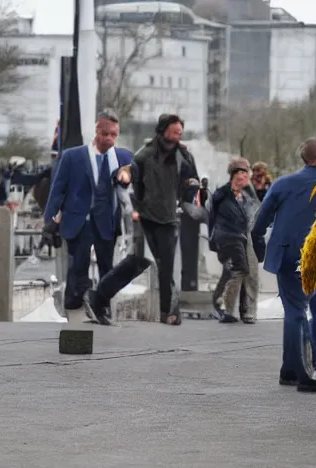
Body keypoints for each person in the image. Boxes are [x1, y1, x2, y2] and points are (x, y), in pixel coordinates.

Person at [83, 113, 200, 326]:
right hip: (145, 217)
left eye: (180, 133)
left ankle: (169, 312)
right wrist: (123, 177)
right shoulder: (145, 155)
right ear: (163, 132)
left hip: (168, 218)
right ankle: (98, 297)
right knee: (137, 262)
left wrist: (191, 187)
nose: (177, 137)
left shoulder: (184, 156)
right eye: (174, 133)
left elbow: (191, 181)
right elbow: (126, 177)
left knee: (166, 266)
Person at [252, 138, 316, 393]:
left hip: (289, 254)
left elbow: (259, 223)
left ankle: (293, 370)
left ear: (304, 158)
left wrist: (259, 242)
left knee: (295, 311)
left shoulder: (283, 184)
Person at [42, 110, 134, 310]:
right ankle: (74, 307)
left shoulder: (124, 157)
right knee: (77, 268)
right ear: (96, 130)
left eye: (114, 135)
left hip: (107, 222)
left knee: (107, 269)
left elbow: (139, 178)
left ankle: (103, 307)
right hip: (79, 222)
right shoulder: (72, 157)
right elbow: (58, 189)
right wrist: (49, 221)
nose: (109, 139)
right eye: (105, 133)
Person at [208, 158, 259, 323]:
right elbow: (213, 209)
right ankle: (226, 309)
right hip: (230, 237)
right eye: (239, 173)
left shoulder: (249, 194)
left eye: (245, 173)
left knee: (251, 273)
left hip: (248, 236)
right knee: (236, 271)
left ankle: (248, 311)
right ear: (232, 175)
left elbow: (259, 208)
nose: (242, 177)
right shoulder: (222, 194)